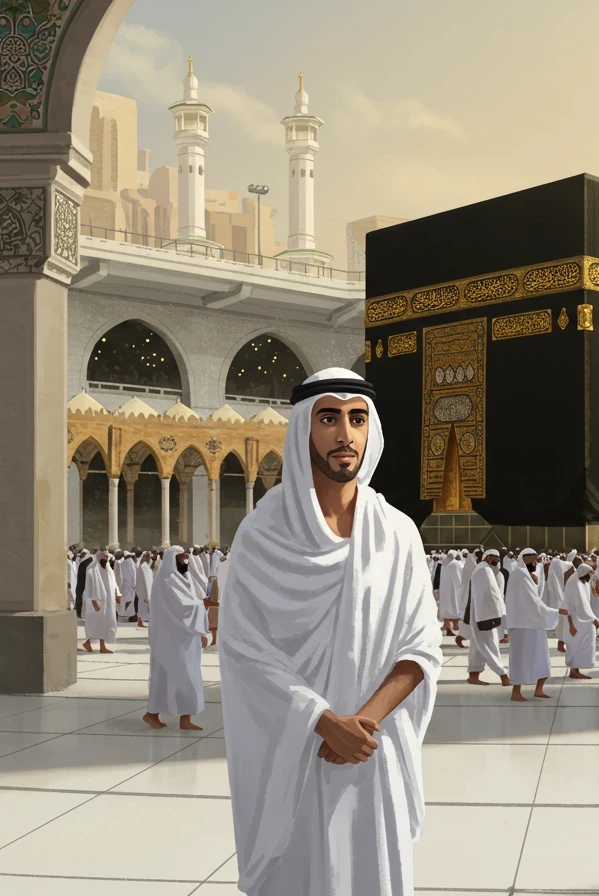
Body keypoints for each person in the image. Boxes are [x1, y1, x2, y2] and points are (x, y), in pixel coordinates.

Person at [218, 368, 442, 896]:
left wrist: (361, 723)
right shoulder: (261, 534)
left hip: (372, 750)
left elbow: (421, 645)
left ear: (371, 431)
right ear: (304, 430)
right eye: (329, 418)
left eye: (357, 419)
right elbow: (245, 653)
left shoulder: (396, 532)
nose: (345, 434)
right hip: (296, 756)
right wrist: (322, 722)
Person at [144, 546, 210, 731]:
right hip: (170, 640)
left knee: (186, 677)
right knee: (174, 677)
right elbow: (182, 608)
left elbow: (188, 604)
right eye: (182, 558)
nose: (185, 562)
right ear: (173, 559)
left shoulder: (178, 579)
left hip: (182, 638)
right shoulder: (165, 581)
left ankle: (184, 718)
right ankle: (152, 714)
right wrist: (202, 604)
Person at [505, 548, 562, 702]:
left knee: (541, 657)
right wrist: (554, 611)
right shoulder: (519, 574)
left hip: (534, 622)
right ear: (524, 558)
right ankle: (516, 692)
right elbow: (532, 601)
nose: (535, 562)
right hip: (522, 625)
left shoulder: (527, 575)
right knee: (521, 658)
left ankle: (539, 689)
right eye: (532, 559)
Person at [465, 550, 509, 687]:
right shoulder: (484, 571)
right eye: (492, 557)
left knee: (477, 646)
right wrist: (499, 611)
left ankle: (473, 675)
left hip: (482, 614)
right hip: (484, 616)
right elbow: (492, 595)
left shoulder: (485, 570)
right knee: (490, 645)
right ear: (486, 558)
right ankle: (503, 675)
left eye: (497, 557)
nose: (495, 559)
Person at [562, 563, 599, 678]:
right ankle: (574, 671)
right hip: (574, 621)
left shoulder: (582, 582)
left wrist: (592, 618)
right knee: (575, 645)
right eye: (589, 574)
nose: (589, 577)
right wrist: (571, 625)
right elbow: (568, 605)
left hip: (582, 620)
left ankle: (576, 669)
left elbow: (584, 604)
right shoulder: (573, 584)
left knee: (583, 644)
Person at [83, 549, 120, 653]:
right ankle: (91, 643)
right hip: (97, 602)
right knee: (97, 623)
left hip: (108, 602)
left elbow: (114, 584)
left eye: (107, 557)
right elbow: (89, 587)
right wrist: (94, 602)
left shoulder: (109, 569)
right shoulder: (92, 570)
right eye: (104, 557)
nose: (106, 559)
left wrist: (117, 594)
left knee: (106, 623)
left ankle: (100, 646)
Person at [135, 551, 155, 629]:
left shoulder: (146, 566)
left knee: (143, 607)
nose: (148, 557)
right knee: (143, 606)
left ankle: (140, 621)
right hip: (144, 591)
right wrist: (146, 594)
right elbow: (145, 581)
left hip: (146, 590)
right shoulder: (143, 567)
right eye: (146, 556)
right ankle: (140, 621)